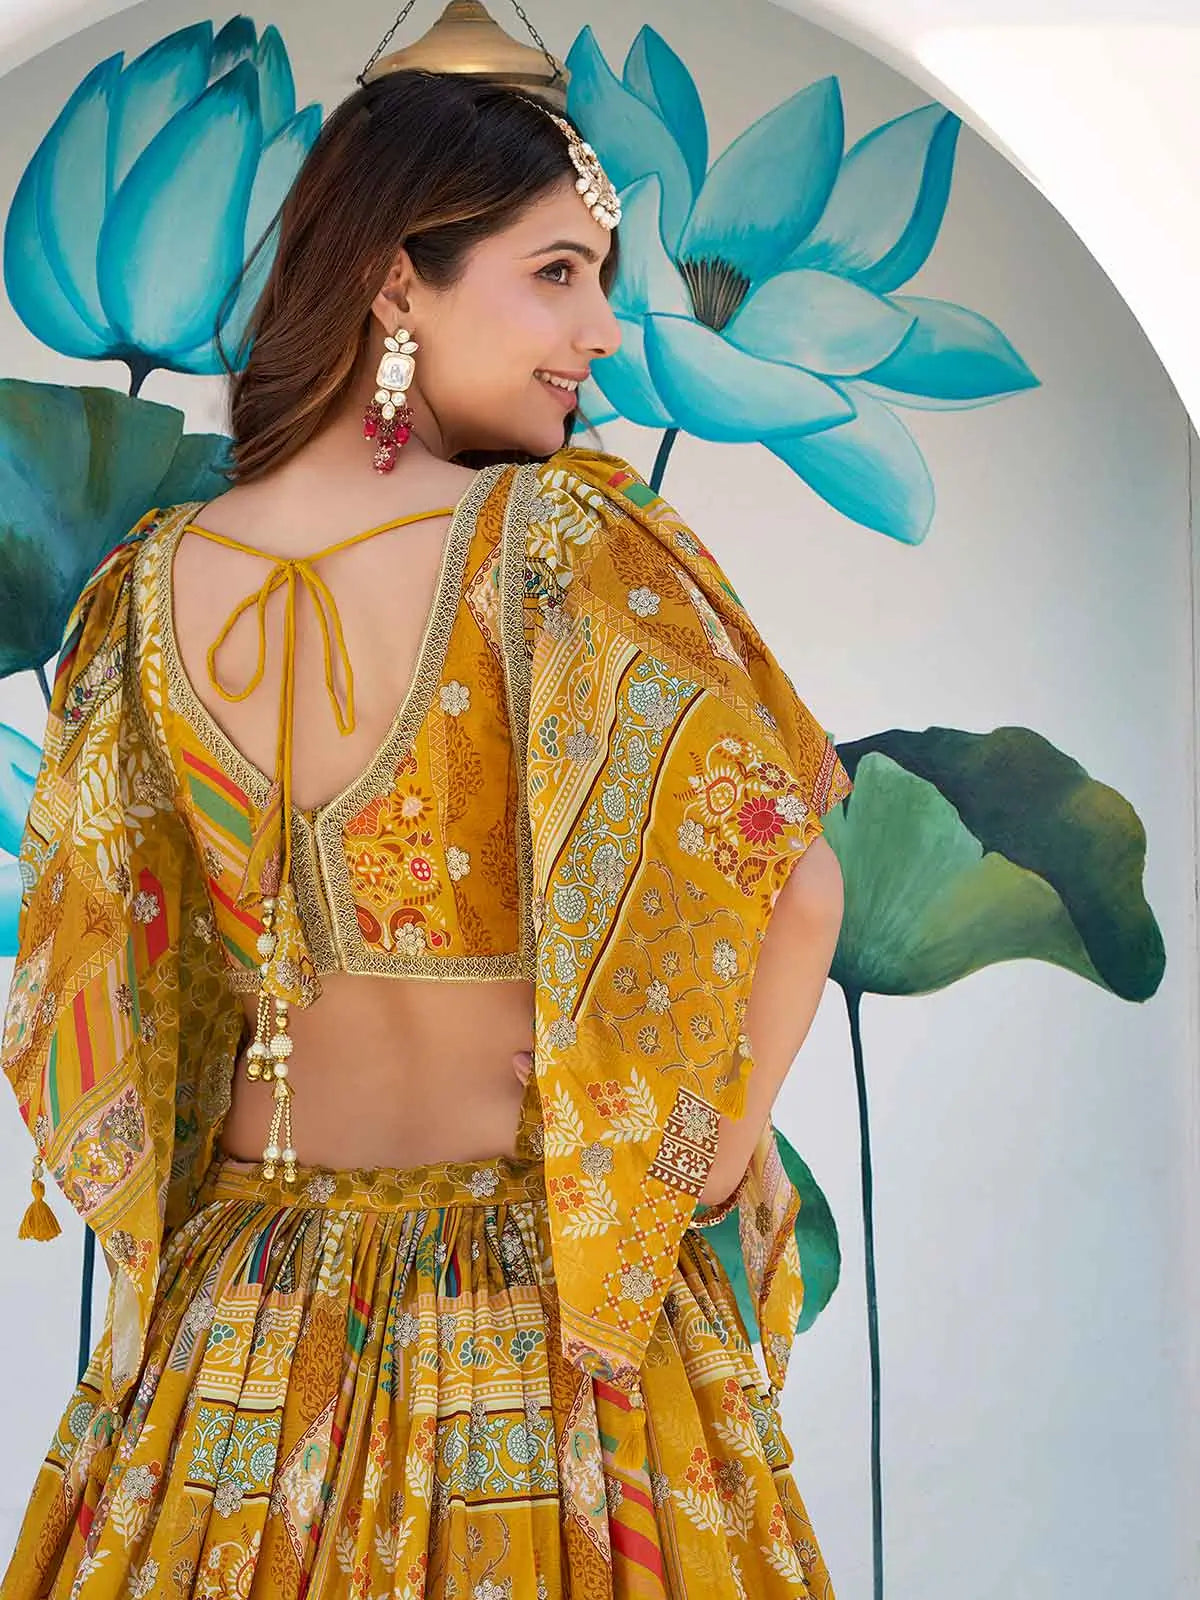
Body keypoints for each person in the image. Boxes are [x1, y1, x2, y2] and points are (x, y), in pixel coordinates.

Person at [0, 68, 851, 1598]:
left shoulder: (143, 589)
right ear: (398, 281)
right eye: (558, 273)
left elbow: (104, 987)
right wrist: (702, 1156)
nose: (602, 331)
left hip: (247, 1333)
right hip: (543, 1323)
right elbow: (794, 886)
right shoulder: (560, 546)